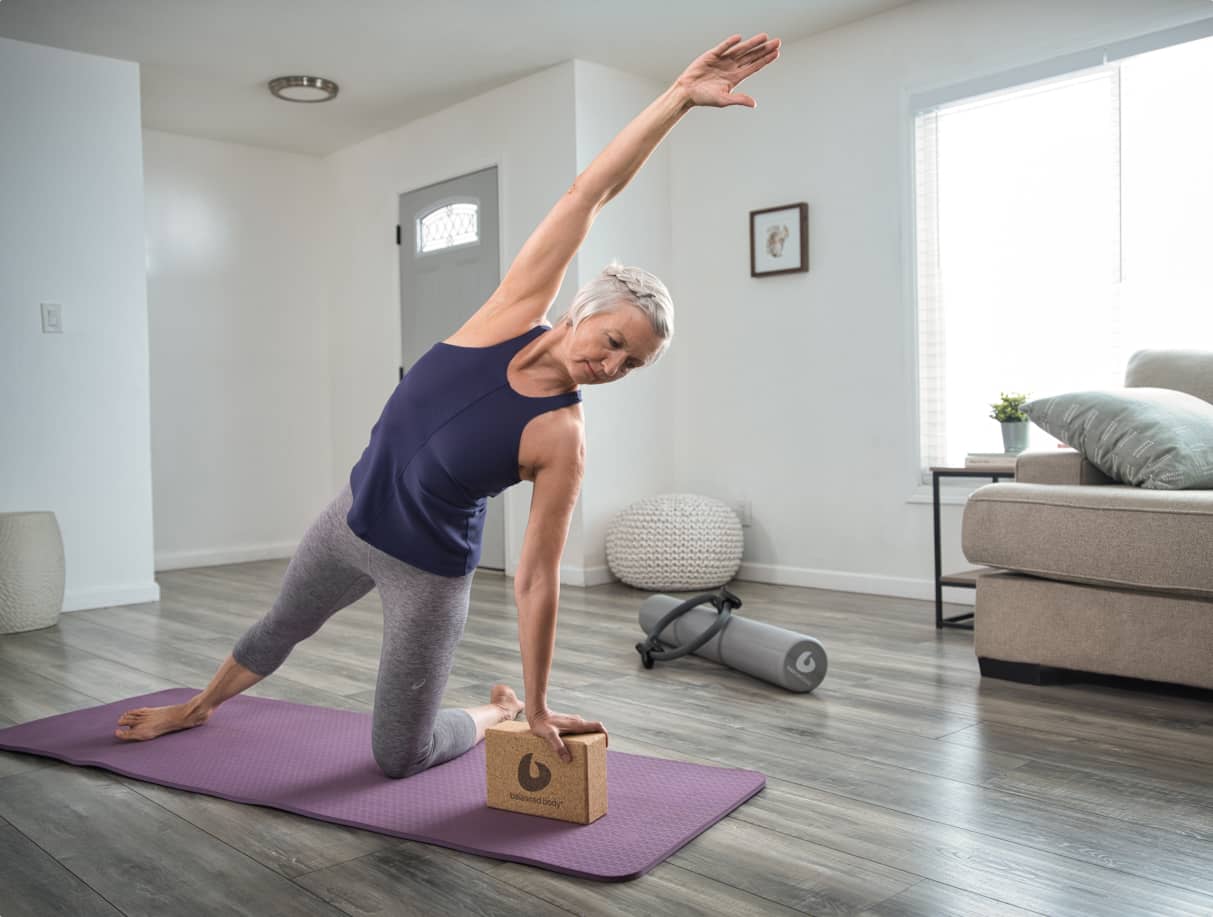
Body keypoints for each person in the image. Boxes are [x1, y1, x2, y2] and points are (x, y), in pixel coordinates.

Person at [114, 33, 781, 775]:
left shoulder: (561, 436)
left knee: (400, 756)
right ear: (586, 308)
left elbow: (534, 576)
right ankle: (197, 706)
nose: (613, 363)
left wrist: (530, 705)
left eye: (632, 364)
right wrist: (678, 97)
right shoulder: (508, 311)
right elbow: (588, 192)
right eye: (615, 339)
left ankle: (485, 709)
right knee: (277, 626)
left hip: (427, 572)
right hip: (348, 520)